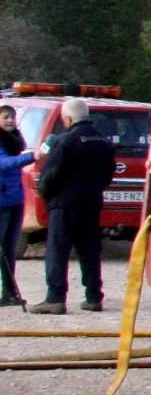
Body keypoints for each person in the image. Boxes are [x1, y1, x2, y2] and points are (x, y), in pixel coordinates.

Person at [28, 98, 115, 316]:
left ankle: (55, 298)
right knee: (90, 251)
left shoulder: (65, 141)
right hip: (91, 203)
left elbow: (51, 174)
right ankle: (94, 297)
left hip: (64, 205)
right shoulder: (102, 141)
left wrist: (45, 192)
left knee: (58, 251)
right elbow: (109, 173)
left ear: (67, 119)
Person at [0, 105, 33, 307]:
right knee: (2, 248)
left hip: (15, 199)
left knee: (10, 248)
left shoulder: (15, 140)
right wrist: (32, 156)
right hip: (2, 200)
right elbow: (3, 164)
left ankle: (10, 292)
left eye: (12, 117)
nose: (10, 120)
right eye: (5, 117)